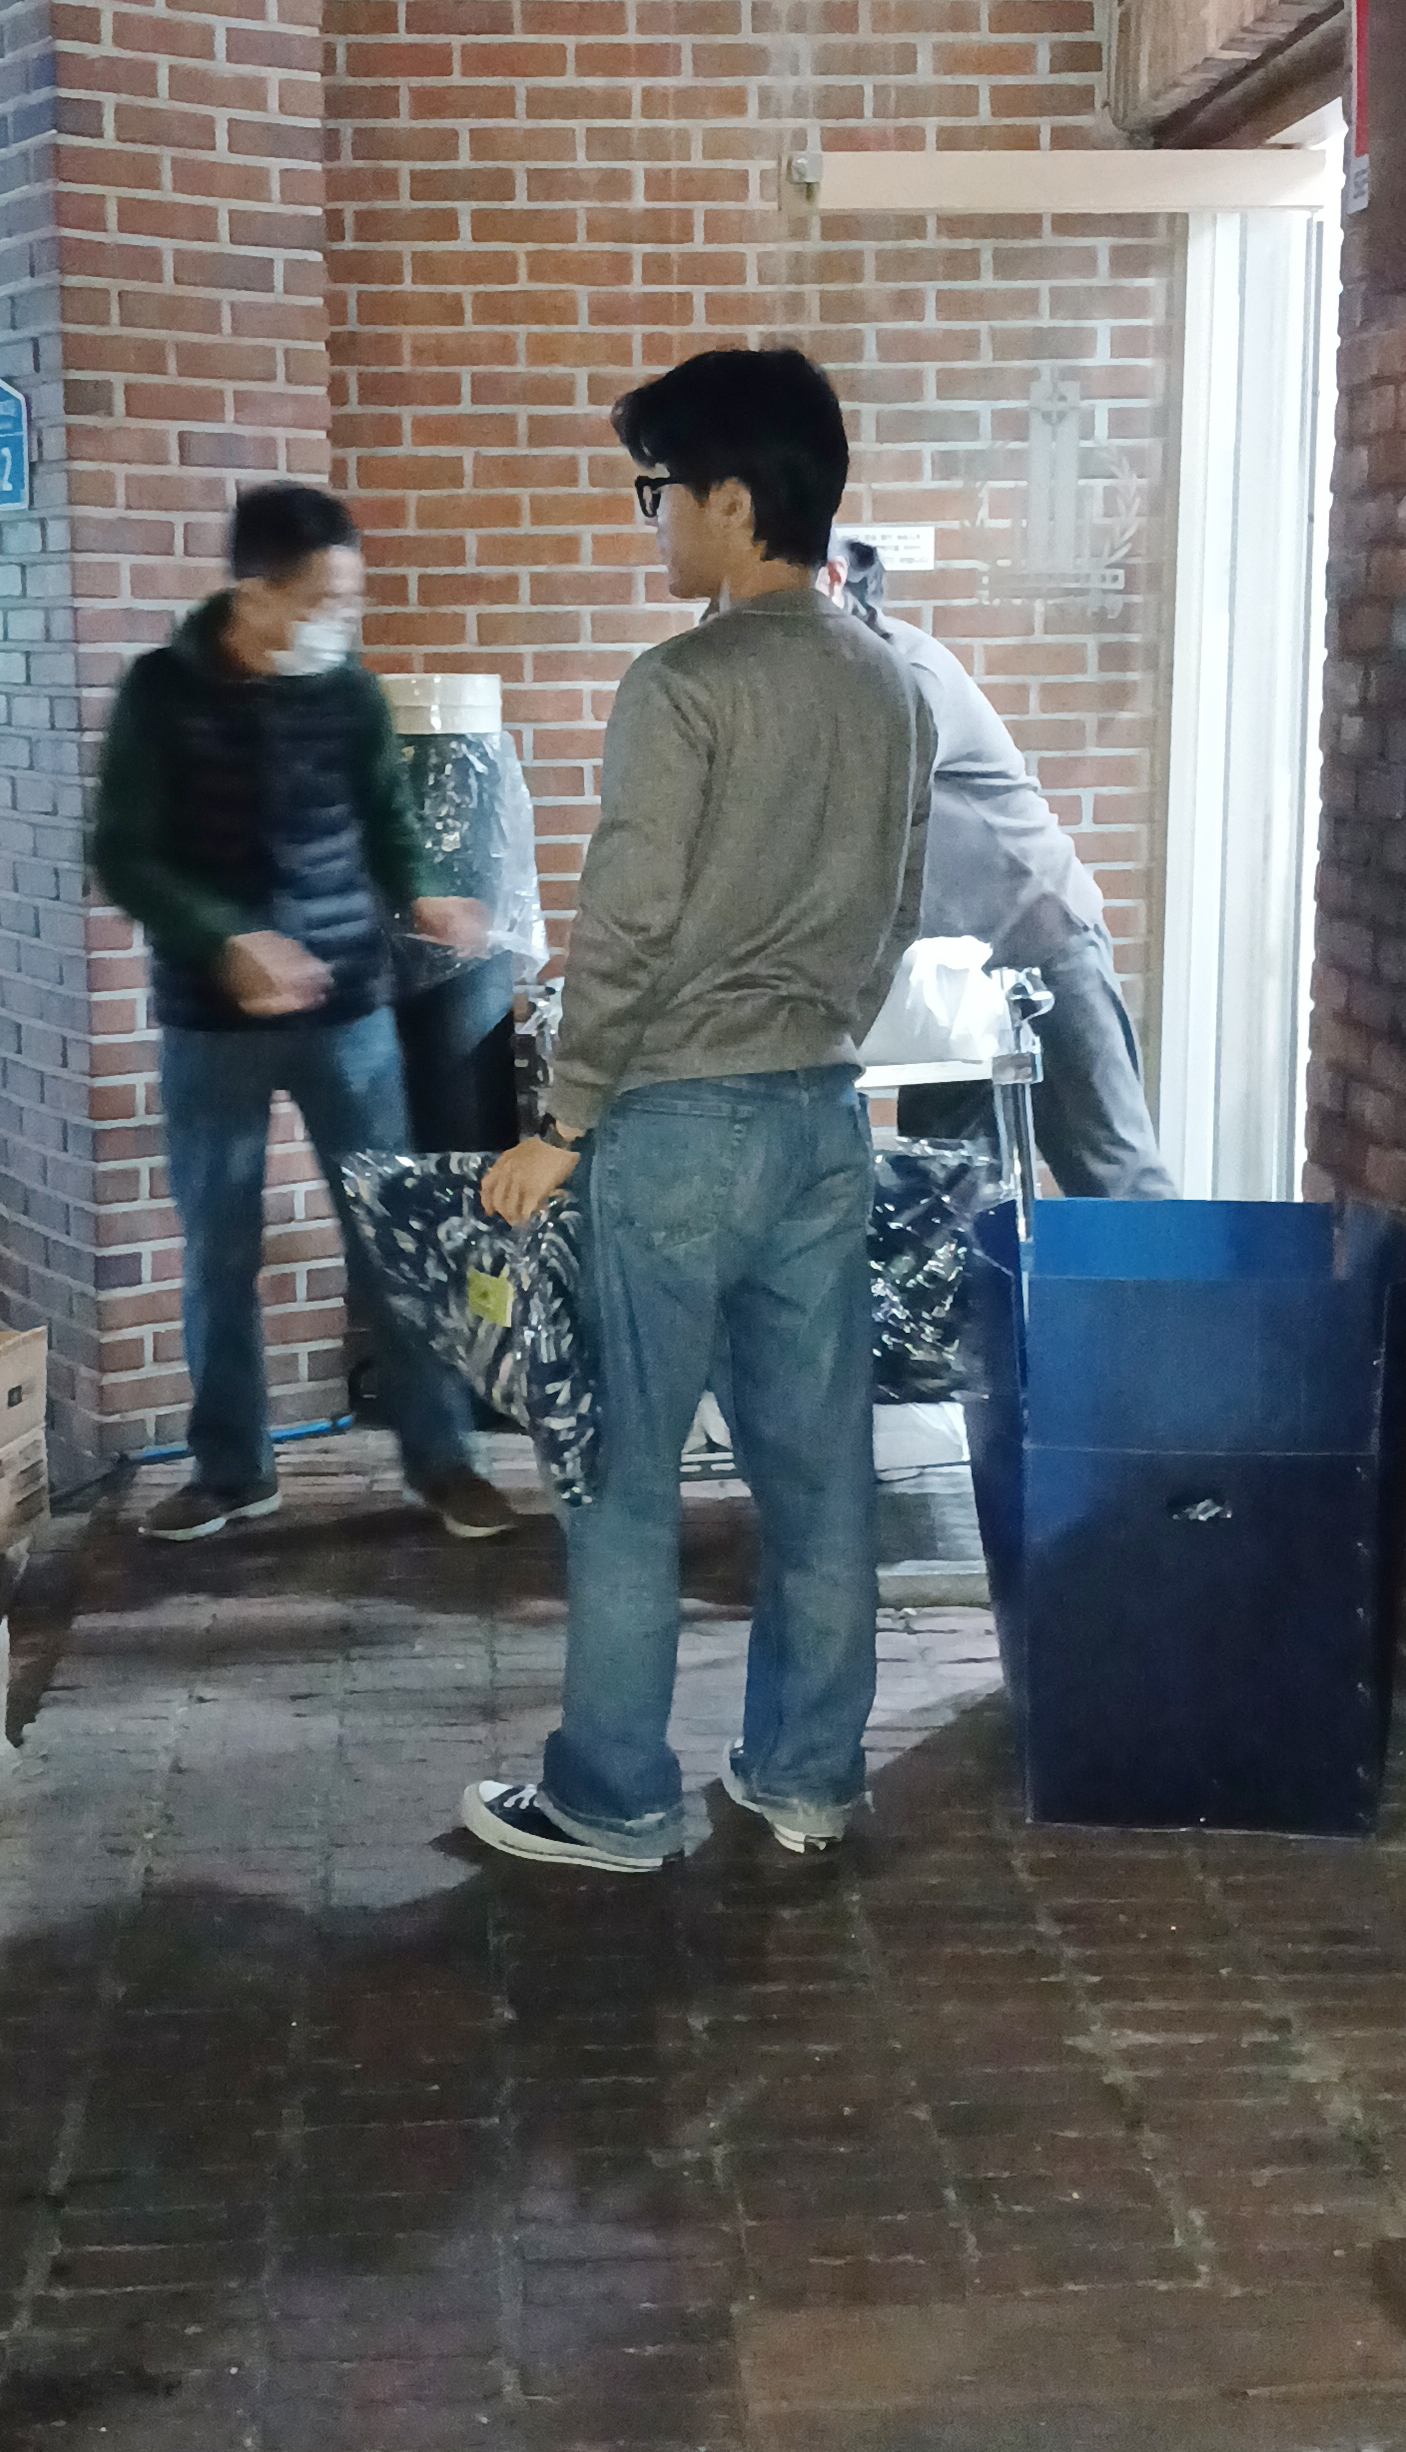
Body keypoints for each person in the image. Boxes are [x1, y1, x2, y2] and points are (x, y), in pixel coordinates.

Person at [463, 348, 934, 1873]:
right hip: (821, 1116)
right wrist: (819, 1034)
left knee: (625, 1477)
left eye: (657, 489)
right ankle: (805, 1779)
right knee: (818, 1476)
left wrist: (561, 1121)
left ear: (733, 498)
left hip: (673, 1123)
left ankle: (611, 1798)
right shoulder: (892, 682)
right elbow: (899, 904)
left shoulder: (681, 685)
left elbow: (628, 924)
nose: (652, 518)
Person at [88, 482, 515, 1545]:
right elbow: (122, 852)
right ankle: (232, 1470)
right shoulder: (160, 693)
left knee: (390, 1232)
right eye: (322, 599)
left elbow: (386, 819)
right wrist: (223, 940)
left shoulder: (350, 693)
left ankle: (443, 1461)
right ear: (254, 593)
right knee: (219, 1248)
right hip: (209, 1017)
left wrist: (424, 893)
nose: (341, 620)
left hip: (348, 1008)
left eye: (349, 598)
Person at [823, 538, 1173, 1200]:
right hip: (959, 978)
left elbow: (857, 814)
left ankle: (1166, 1276)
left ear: (834, 580)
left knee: (1118, 1181)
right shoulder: (817, 687)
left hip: (1044, 945)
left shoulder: (907, 673)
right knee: (951, 1197)